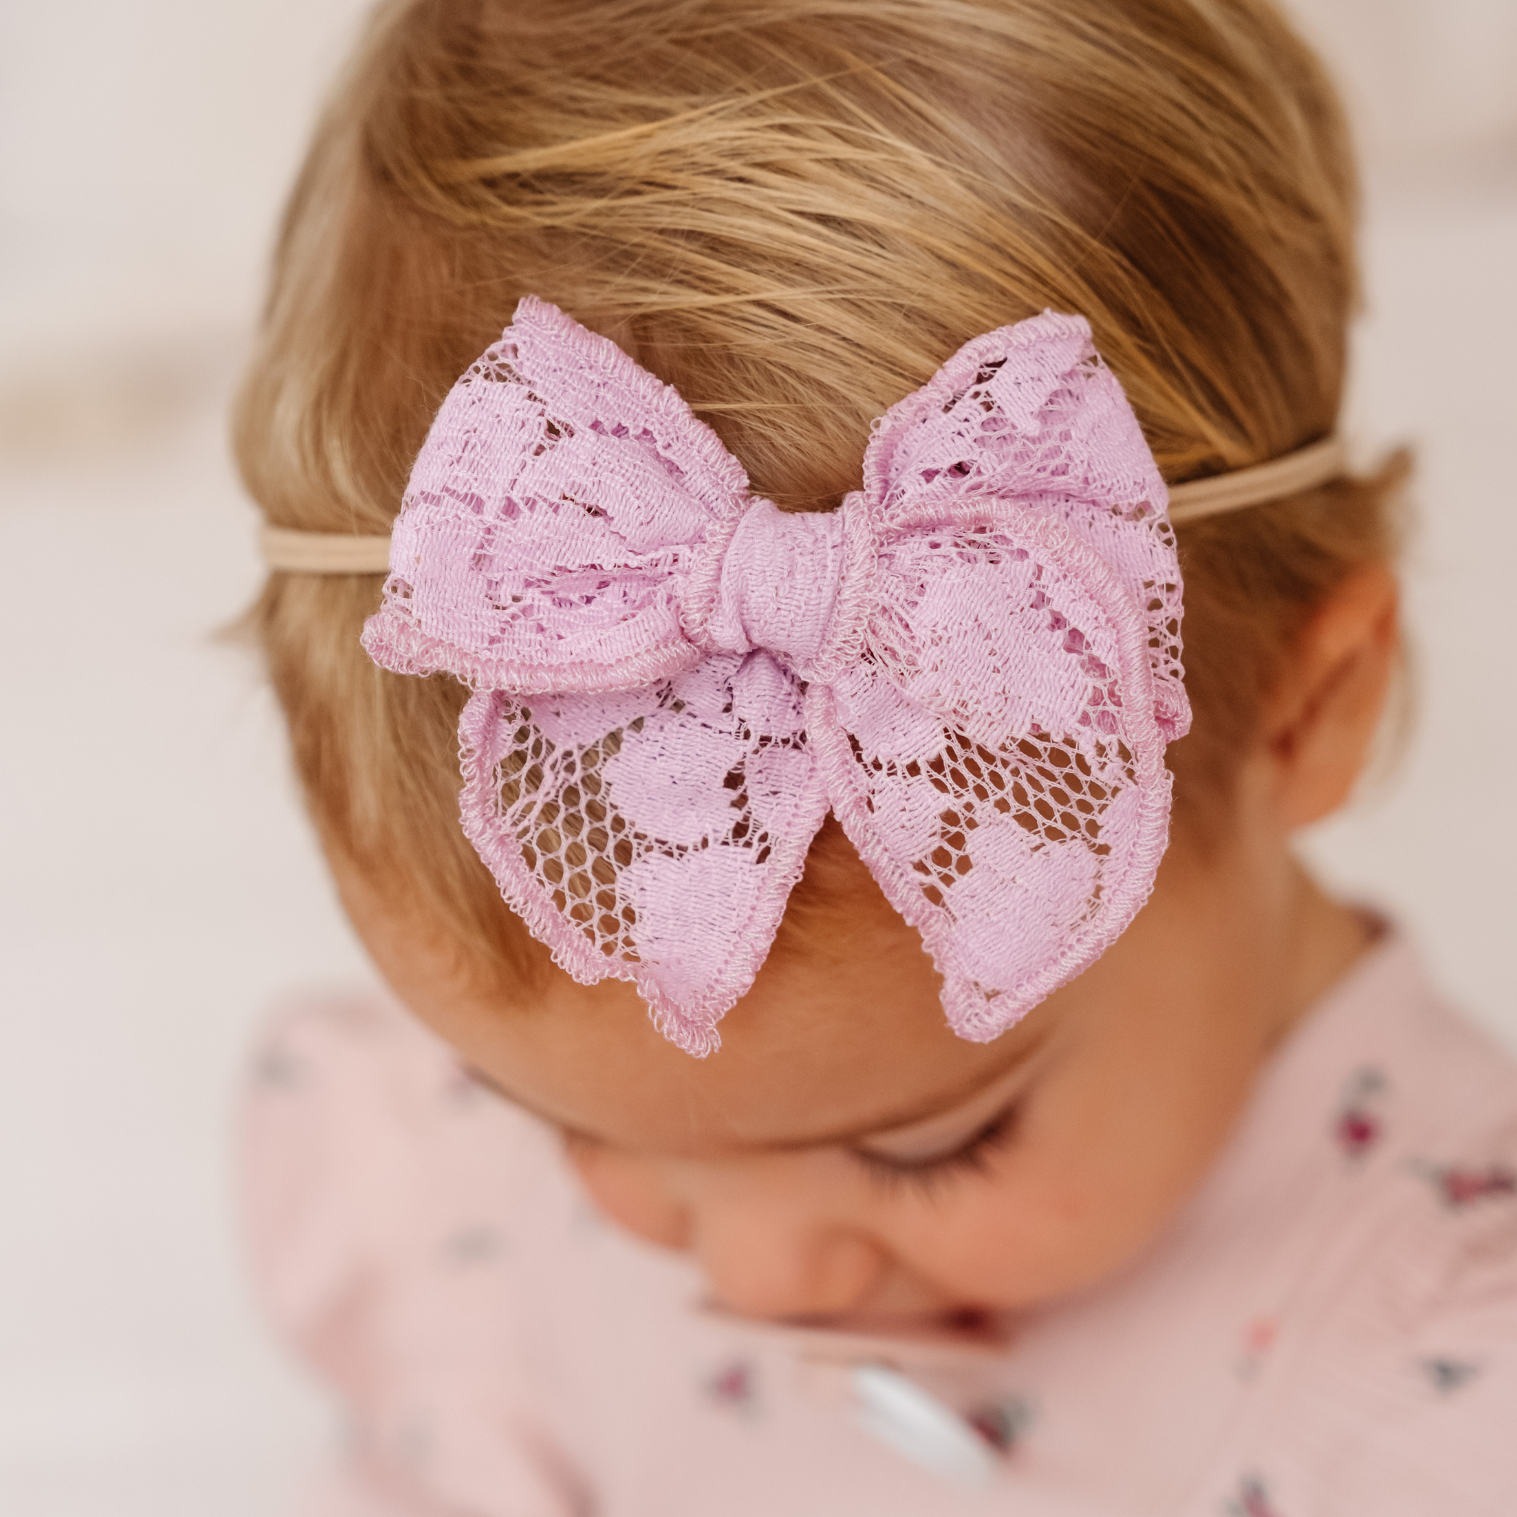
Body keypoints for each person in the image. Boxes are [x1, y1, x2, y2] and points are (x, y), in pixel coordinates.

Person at [234, 1, 1517, 1511]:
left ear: (1306, 712)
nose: (751, 1278)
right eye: (574, 1133)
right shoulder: (463, 1194)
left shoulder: (1439, 1399)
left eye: (933, 1149)